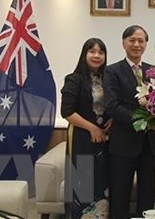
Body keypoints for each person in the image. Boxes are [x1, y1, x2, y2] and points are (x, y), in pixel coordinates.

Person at [103, 25, 155, 218]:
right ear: (124, 43)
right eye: (132, 40)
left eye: (141, 41)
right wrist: (142, 122)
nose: (137, 44)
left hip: (149, 144)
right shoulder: (112, 71)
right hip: (123, 143)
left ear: (146, 45)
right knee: (120, 193)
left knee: (147, 193)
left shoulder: (153, 71)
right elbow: (112, 106)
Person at [60, 38, 112, 218]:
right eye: (92, 51)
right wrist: (92, 128)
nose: (96, 55)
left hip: (105, 140)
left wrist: (112, 118)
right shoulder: (74, 79)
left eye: (101, 52)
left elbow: (113, 104)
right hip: (82, 137)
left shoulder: (107, 78)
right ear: (84, 54)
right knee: (82, 184)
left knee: (102, 182)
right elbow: (66, 112)